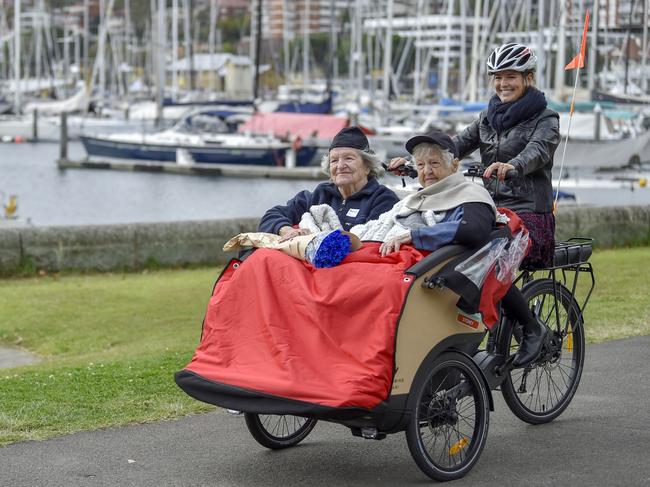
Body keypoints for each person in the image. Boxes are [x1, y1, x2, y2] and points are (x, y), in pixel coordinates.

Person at [452, 42, 561, 366]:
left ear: (528, 77)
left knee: (490, 257)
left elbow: (540, 150)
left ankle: (532, 328)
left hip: (531, 215)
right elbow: (454, 147)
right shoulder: (487, 117)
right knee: (454, 252)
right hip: (492, 211)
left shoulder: (546, 117)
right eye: (497, 77)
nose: (503, 83)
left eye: (510, 76)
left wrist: (513, 165)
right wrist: (420, 158)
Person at [258, 126, 399, 241]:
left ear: (367, 167)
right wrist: (287, 230)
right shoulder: (319, 195)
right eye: (334, 160)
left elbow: (373, 243)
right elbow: (271, 216)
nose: (340, 165)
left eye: (349, 158)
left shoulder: (383, 200)